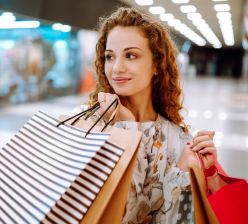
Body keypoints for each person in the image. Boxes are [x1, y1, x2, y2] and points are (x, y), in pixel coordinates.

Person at [78, 7, 218, 223]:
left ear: (156, 64)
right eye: (109, 56)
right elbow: (121, 215)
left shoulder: (178, 139)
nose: (117, 68)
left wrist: (200, 171)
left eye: (131, 55)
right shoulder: (88, 124)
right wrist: (126, 125)